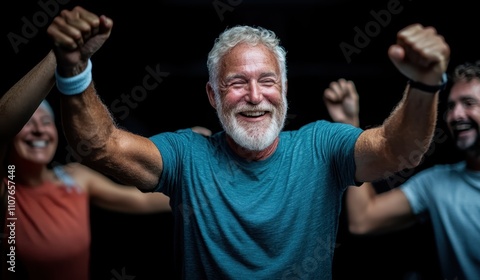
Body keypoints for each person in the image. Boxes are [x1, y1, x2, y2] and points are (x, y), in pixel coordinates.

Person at [47, 6, 450, 279]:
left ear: (285, 90)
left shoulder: (321, 146)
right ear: (213, 96)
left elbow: (400, 150)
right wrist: (74, 69)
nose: (255, 96)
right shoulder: (188, 154)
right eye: (237, 83)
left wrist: (424, 84)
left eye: (267, 81)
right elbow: (99, 146)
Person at [0, 50, 174, 280]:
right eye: (28, 124)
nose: (40, 129)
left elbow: (140, 199)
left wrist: (200, 178)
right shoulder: (7, 193)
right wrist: (60, 54)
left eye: (46, 122)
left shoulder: (76, 178)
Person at [323, 61, 480, 280]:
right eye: (451, 106)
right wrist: (348, 124)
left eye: (468, 103)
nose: (455, 115)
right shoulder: (437, 183)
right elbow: (364, 219)